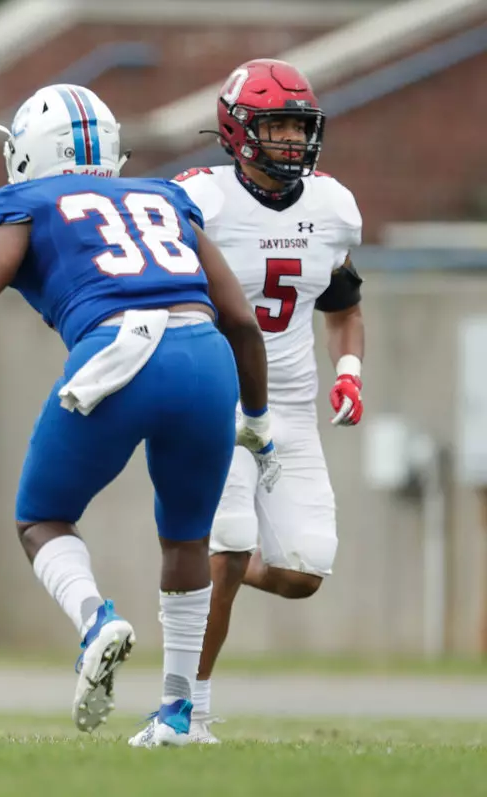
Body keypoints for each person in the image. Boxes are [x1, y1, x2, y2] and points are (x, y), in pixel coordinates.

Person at [0, 83, 279, 747]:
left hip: (121, 352)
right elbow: (240, 318)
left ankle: (97, 620)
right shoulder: (162, 196)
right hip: (206, 355)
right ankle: (179, 714)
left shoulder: (25, 203)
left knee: (41, 517)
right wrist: (260, 420)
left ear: (29, 152)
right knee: (185, 540)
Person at [152, 59, 364, 745]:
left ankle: (198, 581)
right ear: (237, 130)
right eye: (275, 126)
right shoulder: (198, 201)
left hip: (291, 409)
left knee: (304, 571)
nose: (290, 143)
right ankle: (186, 711)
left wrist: (351, 369)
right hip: (217, 400)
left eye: (298, 128)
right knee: (232, 540)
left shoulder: (332, 207)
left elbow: (343, 301)